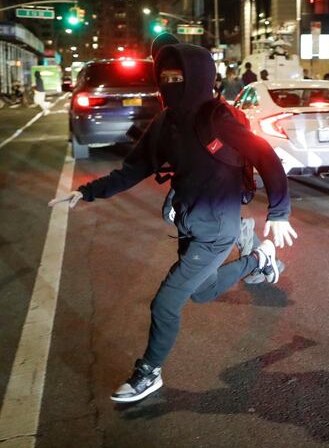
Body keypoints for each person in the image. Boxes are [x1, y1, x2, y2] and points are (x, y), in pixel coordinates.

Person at [48, 33, 298, 403]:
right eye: (165, 77)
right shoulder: (166, 123)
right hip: (189, 222)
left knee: (166, 302)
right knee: (202, 291)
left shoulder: (214, 118)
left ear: (197, 76)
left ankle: (148, 372)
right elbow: (133, 169)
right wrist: (86, 192)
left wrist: (279, 211)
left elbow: (265, 155)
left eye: (179, 77)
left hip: (216, 227)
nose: (170, 84)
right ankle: (258, 259)